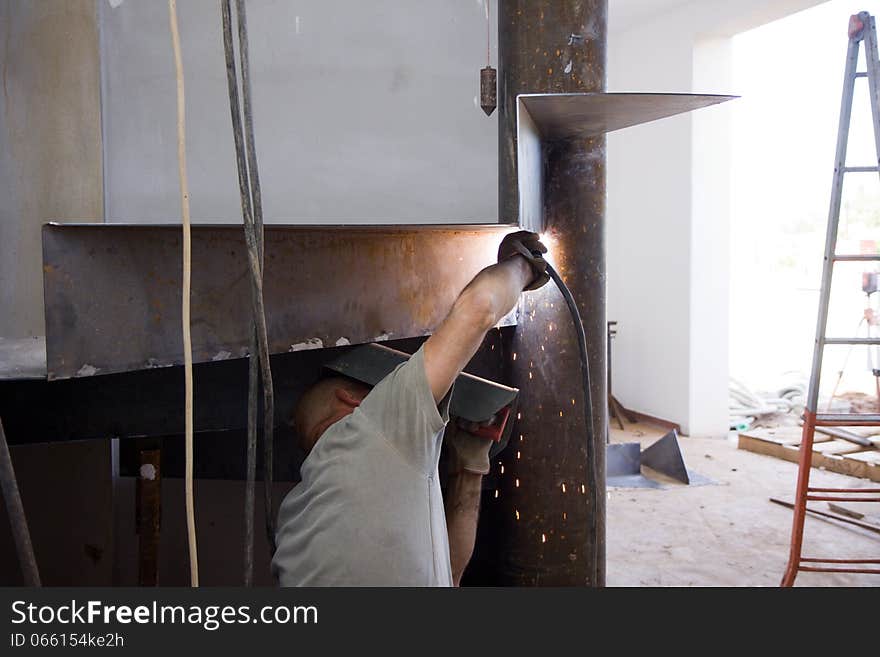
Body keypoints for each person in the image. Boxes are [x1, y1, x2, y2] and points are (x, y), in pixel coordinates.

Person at [272, 231, 549, 586]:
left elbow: (447, 573)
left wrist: (470, 468)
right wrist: (524, 264)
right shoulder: (370, 428)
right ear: (353, 399)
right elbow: (480, 307)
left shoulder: (297, 518)